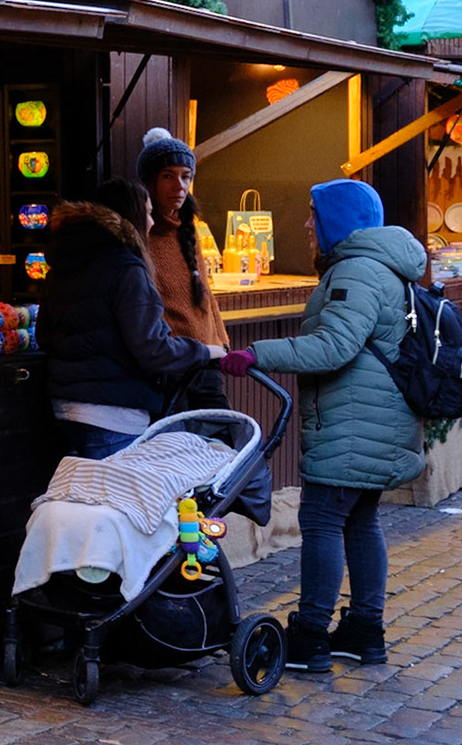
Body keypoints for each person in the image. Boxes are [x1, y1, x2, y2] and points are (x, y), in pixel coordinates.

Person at [219, 178, 425, 673]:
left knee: (321, 520)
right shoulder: (382, 267)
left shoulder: (355, 270)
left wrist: (256, 354)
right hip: (375, 422)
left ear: (339, 219)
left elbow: (334, 347)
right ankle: (365, 632)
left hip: (353, 425)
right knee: (360, 520)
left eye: (314, 213)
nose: (307, 224)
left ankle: (311, 636)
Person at [43, 178, 225, 459]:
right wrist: (204, 351)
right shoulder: (127, 269)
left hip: (66, 408)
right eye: (148, 213)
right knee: (120, 488)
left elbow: (44, 336)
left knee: (86, 486)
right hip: (114, 413)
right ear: (132, 217)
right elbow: (154, 348)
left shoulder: (64, 267)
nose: (152, 222)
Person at [136, 127, 234, 417]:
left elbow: (205, 295)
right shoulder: (139, 235)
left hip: (208, 362)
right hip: (170, 367)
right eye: (168, 176)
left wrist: (222, 341)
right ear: (150, 181)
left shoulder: (188, 228)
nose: (179, 185)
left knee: (223, 437)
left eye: (185, 176)